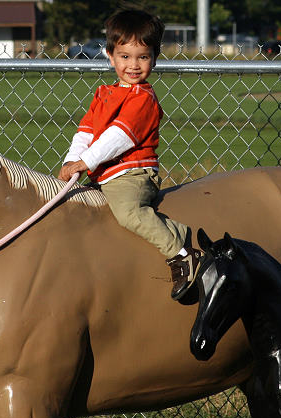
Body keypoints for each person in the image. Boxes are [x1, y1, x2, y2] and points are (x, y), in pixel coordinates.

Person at [57, 7, 201, 300]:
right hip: (104, 174)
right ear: (110, 56)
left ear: (154, 59)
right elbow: (85, 131)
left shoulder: (143, 98)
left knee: (129, 214)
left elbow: (119, 137)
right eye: (125, 56)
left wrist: (85, 162)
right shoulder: (104, 94)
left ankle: (182, 252)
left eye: (143, 57)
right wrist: (71, 161)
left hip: (132, 175)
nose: (133, 65)